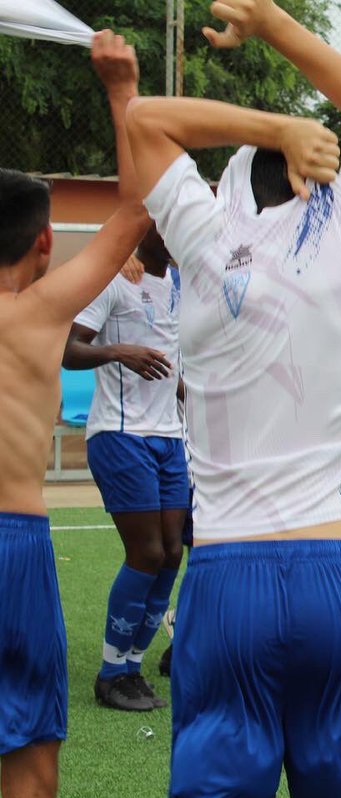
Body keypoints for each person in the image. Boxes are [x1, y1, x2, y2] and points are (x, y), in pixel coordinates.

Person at [126, 0, 341, 795]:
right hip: (335, 573)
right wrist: (276, 23)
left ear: (233, 189)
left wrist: (272, 124)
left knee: (217, 767)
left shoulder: (208, 242)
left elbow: (146, 118)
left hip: (227, 571)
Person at [0, 31, 147, 798]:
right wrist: (121, 88)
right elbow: (136, 206)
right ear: (47, 241)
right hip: (13, 544)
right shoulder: (42, 312)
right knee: (28, 755)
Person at [63, 226, 184, 712]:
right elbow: (67, 349)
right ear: (148, 226)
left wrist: (183, 390)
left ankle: (133, 666)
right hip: (120, 434)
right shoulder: (115, 279)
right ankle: (111, 672)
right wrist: (118, 351)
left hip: (170, 437)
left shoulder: (179, 284)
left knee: (173, 552)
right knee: (147, 552)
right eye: (171, 221)